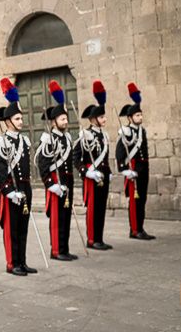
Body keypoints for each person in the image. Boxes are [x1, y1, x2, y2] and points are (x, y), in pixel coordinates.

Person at [0, 77, 37, 276]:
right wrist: (9, 191)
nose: (21, 121)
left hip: (25, 188)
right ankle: (12, 263)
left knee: (23, 227)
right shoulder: (1, 141)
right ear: (8, 121)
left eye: (21, 118)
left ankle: (22, 261)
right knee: (12, 230)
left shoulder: (25, 140)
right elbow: (0, 169)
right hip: (11, 191)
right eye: (17, 118)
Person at [35, 80, 77, 261]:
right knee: (57, 218)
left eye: (66, 118)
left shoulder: (66, 138)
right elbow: (43, 165)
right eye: (62, 119)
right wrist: (51, 185)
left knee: (66, 217)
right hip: (56, 184)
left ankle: (64, 248)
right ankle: (56, 251)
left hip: (67, 182)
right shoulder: (48, 141)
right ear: (53, 122)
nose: (66, 121)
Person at [73, 80, 112, 250]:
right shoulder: (85, 135)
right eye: (101, 117)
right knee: (93, 208)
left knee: (101, 207)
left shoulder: (104, 135)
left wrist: (108, 171)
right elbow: (76, 158)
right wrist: (86, 172)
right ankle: (91, 239)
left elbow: (105, 157)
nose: (104, 119)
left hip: (102, 176)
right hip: (91, 176)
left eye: (104, 116)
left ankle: (99, 238)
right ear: (93, 119)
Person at [115, 82, 155, 240]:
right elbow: (119, 152)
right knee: (134, 201)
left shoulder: (142, 131)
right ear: (130, 118)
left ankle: (140, 227)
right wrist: (124, 169)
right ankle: (134, 230)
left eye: (141, 115)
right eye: (137, 115)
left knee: (142, 200)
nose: (140, 117)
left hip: (143, 170)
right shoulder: (126, 132)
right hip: (132, 171)